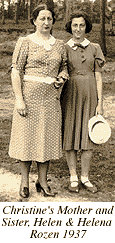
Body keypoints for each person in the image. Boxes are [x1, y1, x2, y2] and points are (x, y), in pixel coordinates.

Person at [9, 3, 69, 198]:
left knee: (47, 140)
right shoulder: (25, 42)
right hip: (29, 98)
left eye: (49, 18)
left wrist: (62, 76)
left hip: (51, 99)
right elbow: (16, 71)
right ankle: (24, 182)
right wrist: (19, 99)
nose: (46, 22)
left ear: (53, 22)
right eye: (42, 18)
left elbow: (64, 67)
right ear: (34, 21)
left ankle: (43, 181)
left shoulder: (59, 45)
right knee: (26, 140)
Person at [61, 11, 105, 193]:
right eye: (74, 25)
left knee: (89, 135)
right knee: (70, 134)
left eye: (81, 25)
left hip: (90, 94)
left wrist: (100, 102)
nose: (78, 29)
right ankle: (73, 177)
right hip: (70, 94)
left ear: (86, 26)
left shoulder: (94, 47)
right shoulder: (63, 47)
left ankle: (85, 178)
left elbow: (99, 76)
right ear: (70, 27)